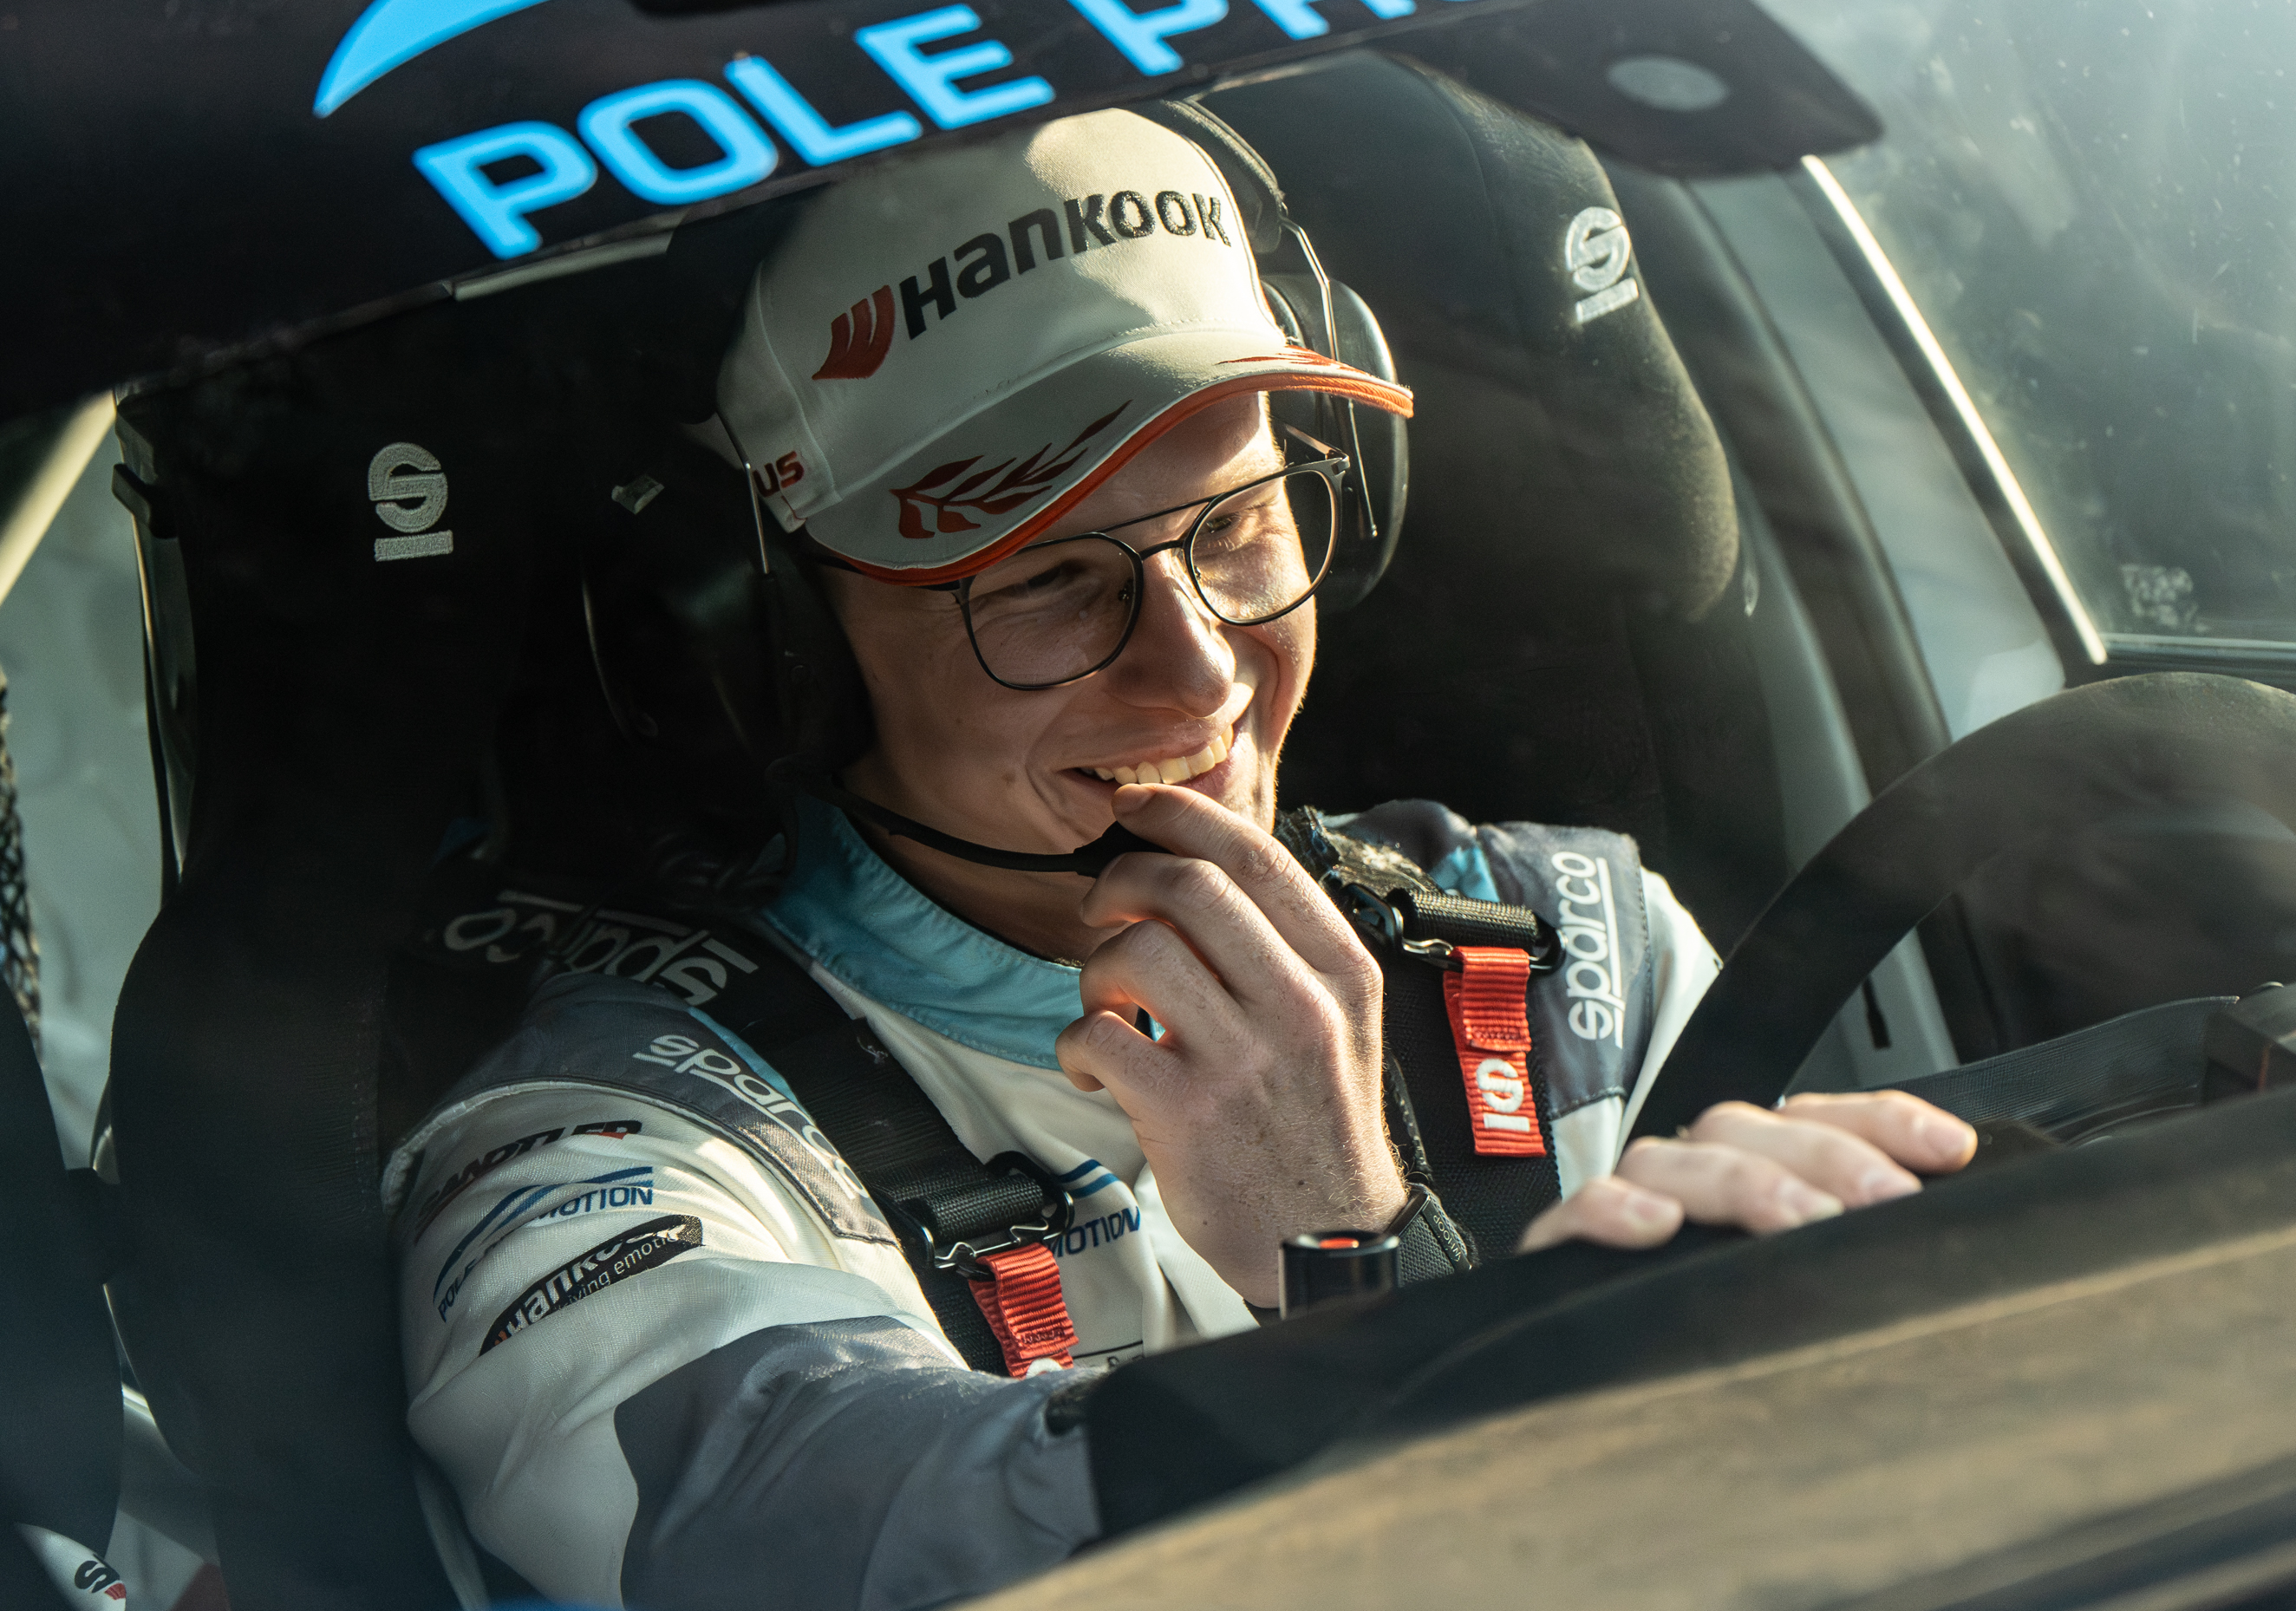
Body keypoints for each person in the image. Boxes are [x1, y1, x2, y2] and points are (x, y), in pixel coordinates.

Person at [388, 107, 1978, 1609]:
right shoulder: (604, 1157)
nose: (1204, 675)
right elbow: (827, 1538)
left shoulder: (1575, 954)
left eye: (1238, 527)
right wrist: (1345, 1267)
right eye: (1049, 582)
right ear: (775, 651)